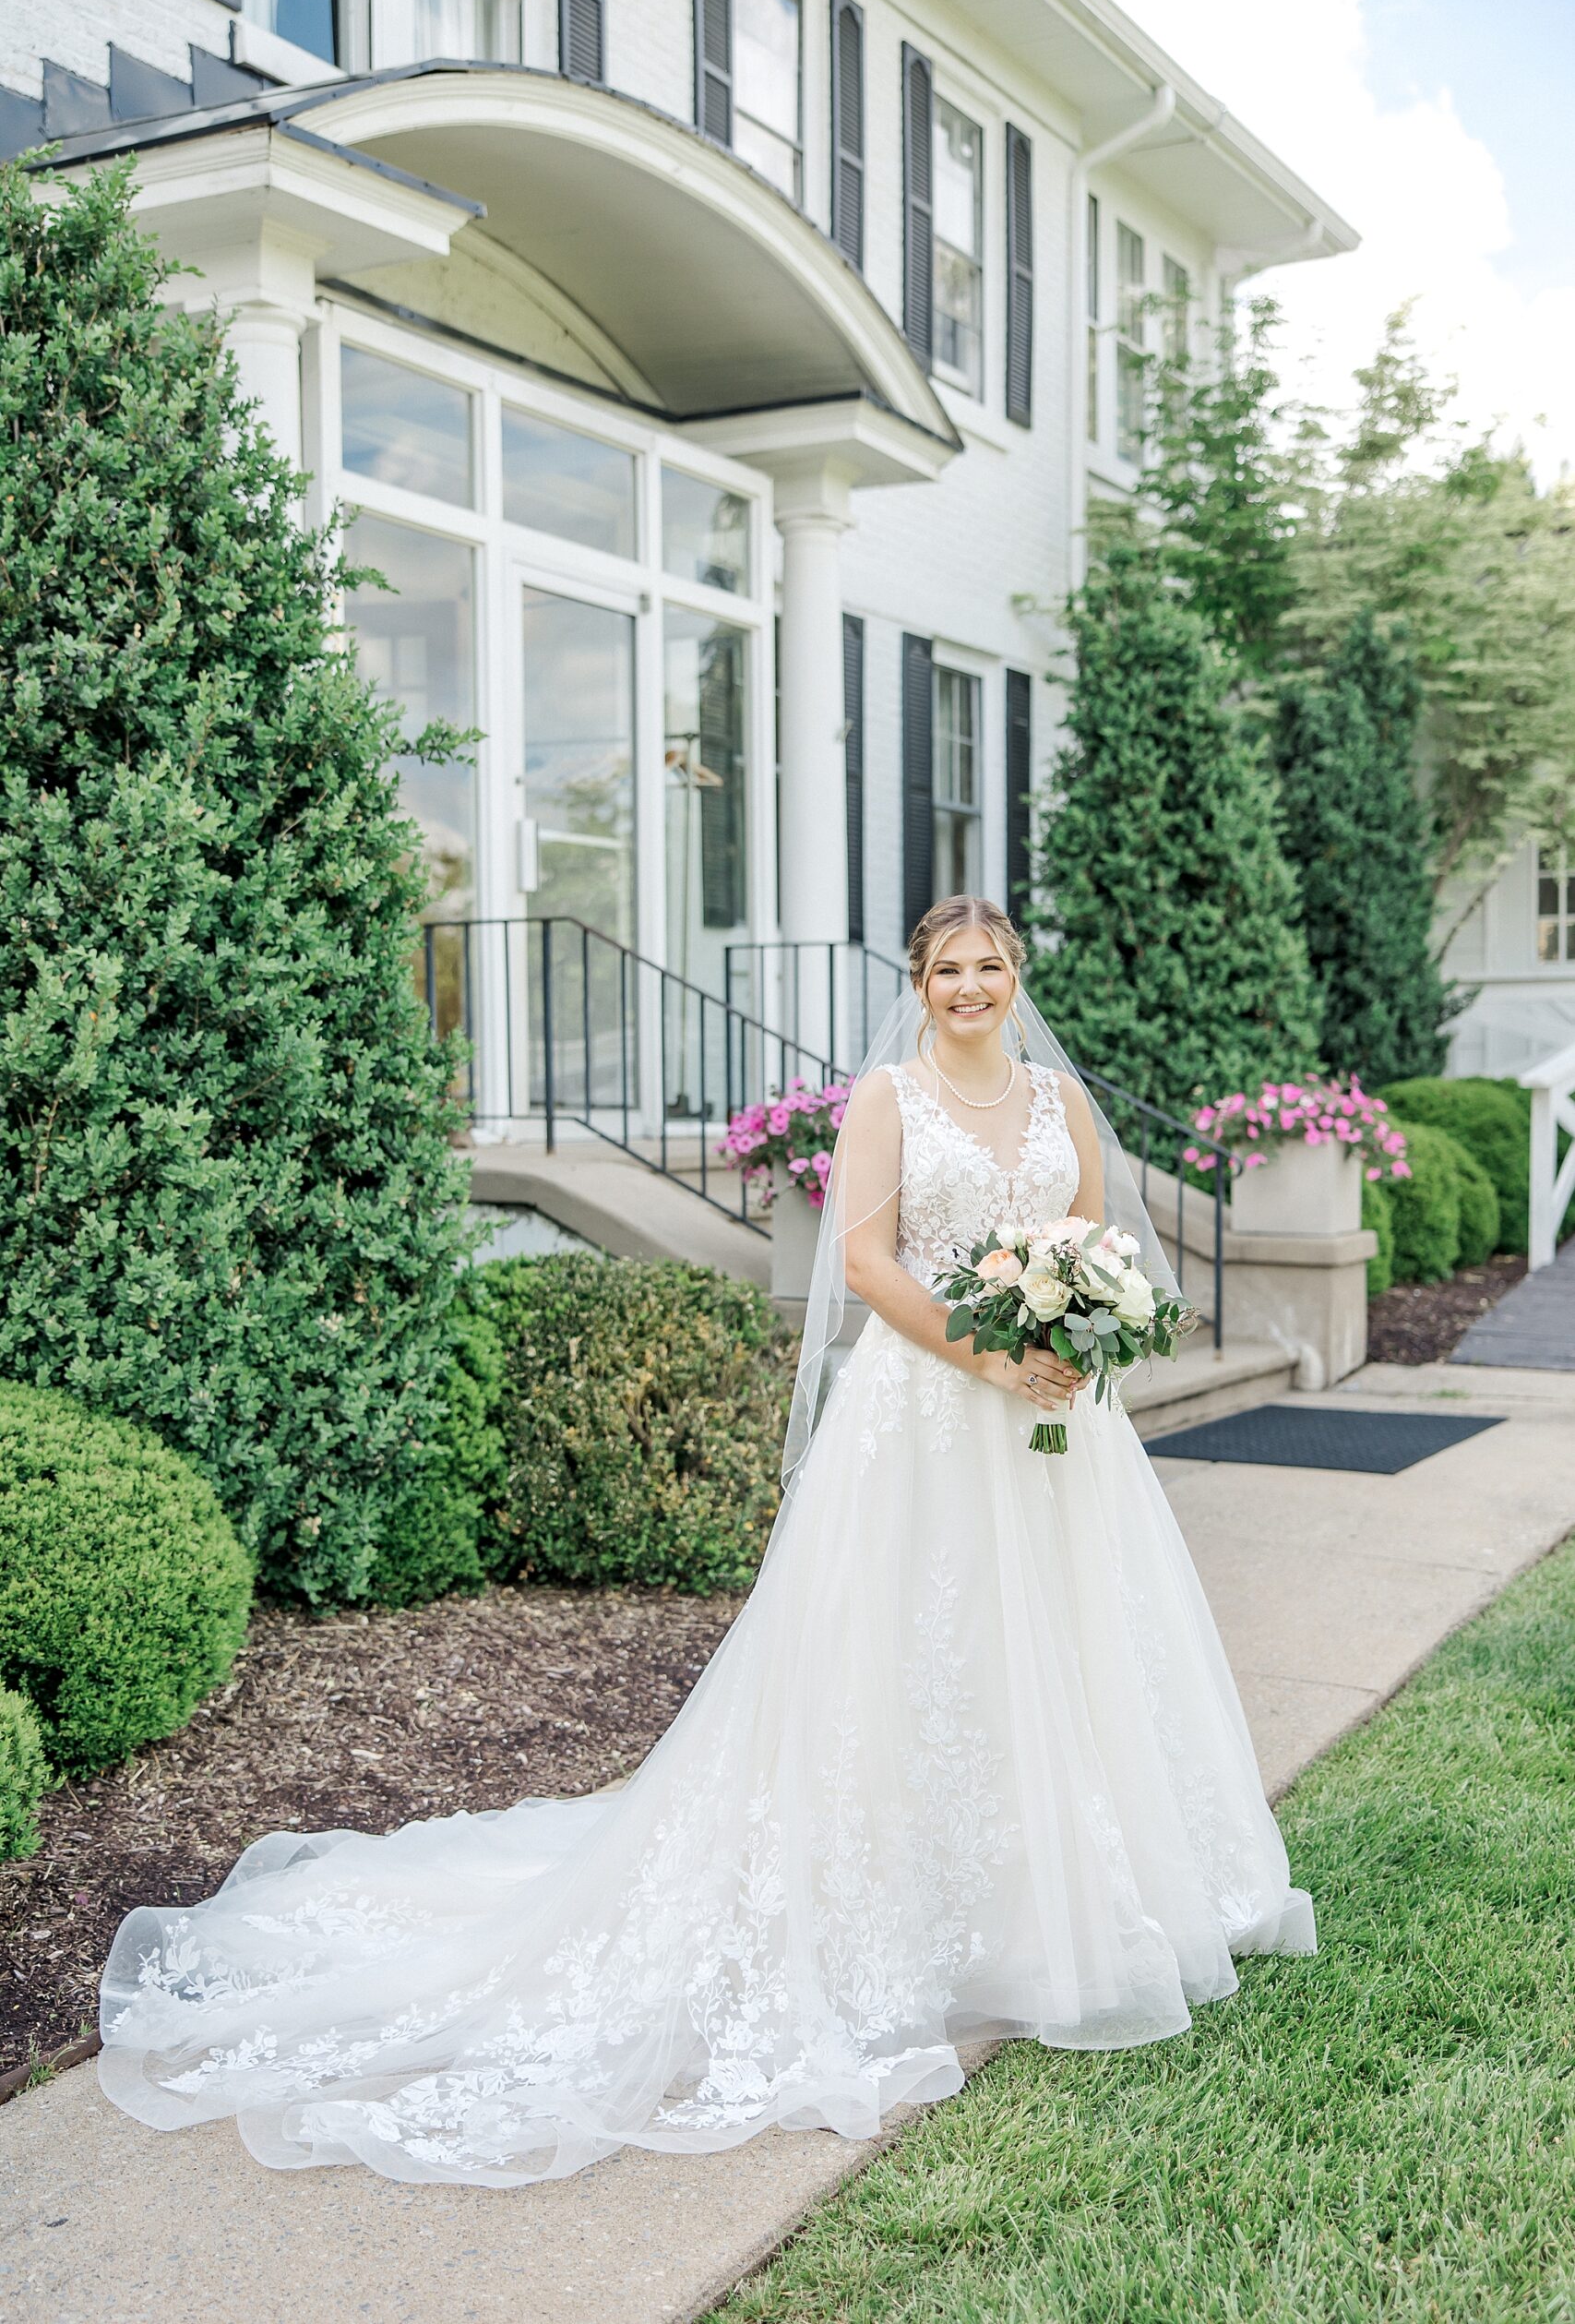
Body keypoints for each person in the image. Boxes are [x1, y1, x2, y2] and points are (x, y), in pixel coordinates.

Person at [98, 894, 1313, 2186]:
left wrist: (1078, 1338)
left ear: (1018, 976)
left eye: (991, 966)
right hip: (927, 1415)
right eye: (949, 967)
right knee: (905, 1661)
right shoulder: (890, 1101)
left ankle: (1062, 1908)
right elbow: (871, 1264)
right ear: (920, 982)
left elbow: (1099, 1242)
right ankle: (898, 1915)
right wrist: (996, 1354)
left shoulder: (1061, 1105)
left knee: (1064, 1650)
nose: (971, 986)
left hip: (1060, 1429)